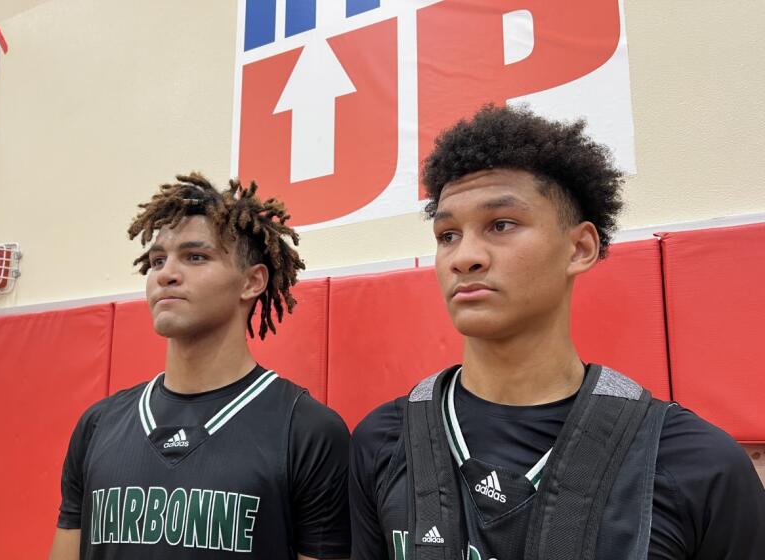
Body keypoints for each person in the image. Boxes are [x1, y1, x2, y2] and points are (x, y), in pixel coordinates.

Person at [349, 105, 765, 559]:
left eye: (501, 225)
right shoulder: (382, 439)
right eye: (447, 234)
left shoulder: (698, 463)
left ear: (580, 248)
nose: (463, 257)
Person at [50, 173, 351, 559]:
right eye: (158, 259)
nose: (165, 273)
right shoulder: (97, 425)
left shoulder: (308, 430)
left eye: (196, 257)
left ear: (251, 282)